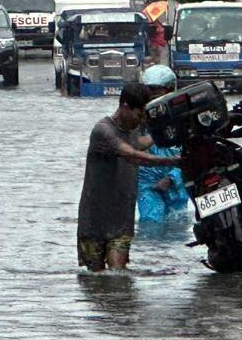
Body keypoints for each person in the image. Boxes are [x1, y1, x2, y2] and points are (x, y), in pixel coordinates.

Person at [76, 83, 179, 272]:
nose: (140, 122)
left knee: (118, 277)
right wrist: (173, 161)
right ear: (125, 107)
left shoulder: (132, 132)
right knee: (95, 281)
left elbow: (143, 144)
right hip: (94, 222)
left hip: (121, 222)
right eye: (139, 115)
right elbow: (133, 155)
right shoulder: (103, 131)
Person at [137, 66, 189, 223]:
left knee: (178, 221)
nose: (152, 96)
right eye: (148, 91)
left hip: (175, 180)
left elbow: (190, 152)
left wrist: (171, 178)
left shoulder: (182, 116)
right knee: (150, 222)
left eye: (156, 90)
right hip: (147, 182)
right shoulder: (138, 117)